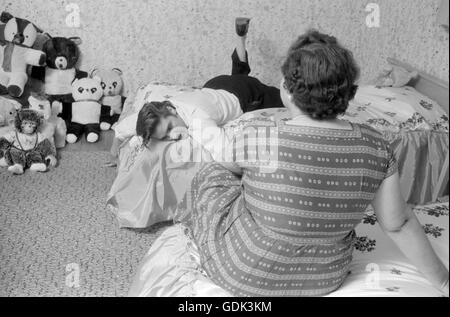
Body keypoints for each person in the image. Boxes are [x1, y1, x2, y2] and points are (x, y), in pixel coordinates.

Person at [173, 29, 449, 297]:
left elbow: (226, 167)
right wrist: (444, 280)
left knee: (212, 171)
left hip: (245, 273)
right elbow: (398, 224)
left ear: (286, 89)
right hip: (325, 279)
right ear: (350, 95)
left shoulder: (260, 135)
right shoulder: (378, 146)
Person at [136, 18, 283, 145]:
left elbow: (223, 151)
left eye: (169, 128)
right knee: (236, 78)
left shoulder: (198, 121)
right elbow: (130, 126)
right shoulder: (166, 103)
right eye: (165, 137)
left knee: (282, 99)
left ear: (171, 110)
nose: (173, 135)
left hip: (243, 92)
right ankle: (240, 39)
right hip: (213, 86)